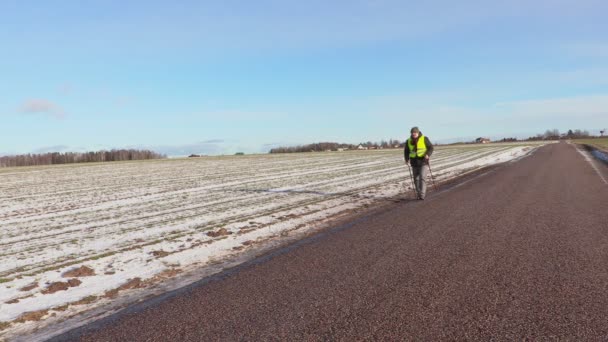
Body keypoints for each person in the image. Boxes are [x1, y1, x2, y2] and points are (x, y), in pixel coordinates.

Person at [404, 126, 434, 200]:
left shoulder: (424, 138)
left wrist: (427, 154)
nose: (414, 133)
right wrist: (406, 159)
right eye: (412, 132)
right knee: (416, 179)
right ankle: (418, 193)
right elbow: (406, 151)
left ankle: (422, 195)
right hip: (414, 162)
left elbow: (431, 147)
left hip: (423, 161)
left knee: (422, 177)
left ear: (418, 132)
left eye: (415, 132)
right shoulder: (408, 141)